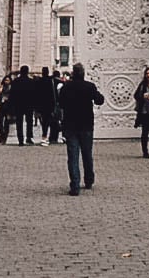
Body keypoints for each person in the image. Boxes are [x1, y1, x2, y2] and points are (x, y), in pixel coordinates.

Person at [58, 62, 104, 196]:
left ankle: (75, 185)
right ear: (83, 74)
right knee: (87, 154)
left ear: (73, 73)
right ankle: (89, 179)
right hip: (86, 124)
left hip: (70, 125)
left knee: (73, 156)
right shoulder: (89, 86)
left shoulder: (66, 87)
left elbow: (61, 103)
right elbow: (100, 100)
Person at [35, 66, 57, 146]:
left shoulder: (39, 81)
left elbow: (37, 94)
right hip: (49, 104)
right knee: (48, 120)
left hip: (41, 104)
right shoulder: (50, 81)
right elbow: (52, 94)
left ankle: (44, 135)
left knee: (44, 121)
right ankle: (47, 136)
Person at [14, 65, 35, 145]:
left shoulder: (16, 81)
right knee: (29, 121)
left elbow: (13, 94)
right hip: (29, 104)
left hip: (18, 104)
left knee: (19, 122)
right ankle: (29, 137)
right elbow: (34, 94)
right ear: (27, 72)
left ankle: (20, 139)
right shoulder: (31, 81)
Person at [0, 75, 14, 144]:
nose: (6, 81)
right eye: (5, 80)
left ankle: (4, 137)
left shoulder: (11, 88)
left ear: (10, 81)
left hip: (8, 107)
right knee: (0, 123)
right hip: (1, 106)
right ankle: (2, 135)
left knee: (6, 123)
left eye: (8, 80)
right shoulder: (1, 87)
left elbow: (13, 98)